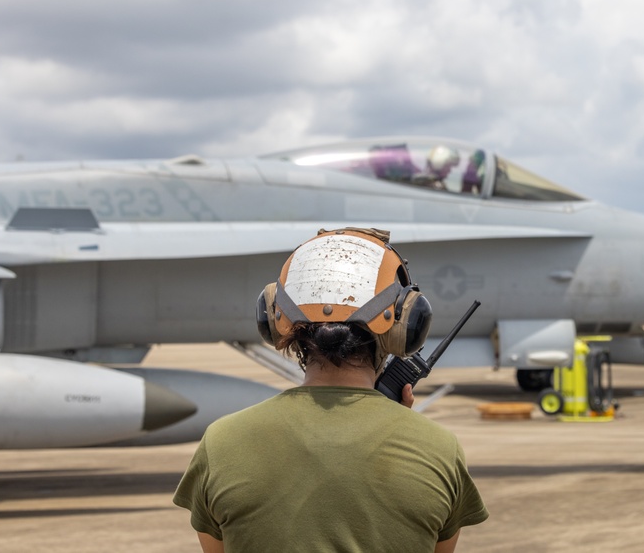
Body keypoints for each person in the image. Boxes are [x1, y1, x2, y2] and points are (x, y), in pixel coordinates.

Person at [173, 227, 488, 552]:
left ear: (275, 318)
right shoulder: (438, 449)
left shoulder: (222, 443)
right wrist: (403, 430)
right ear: (405, 325)